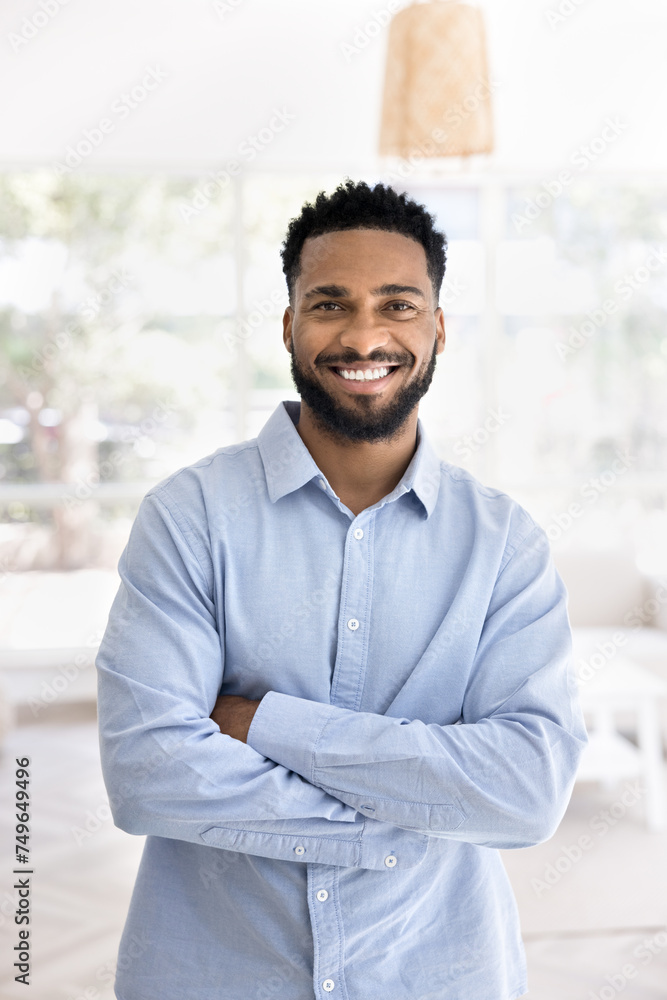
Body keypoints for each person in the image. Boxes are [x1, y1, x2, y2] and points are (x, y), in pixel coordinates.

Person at [96, 179, 588, 1000]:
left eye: (397, 305)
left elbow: (526, 792)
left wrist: (263, 724)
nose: (364, 334)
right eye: (330, 303)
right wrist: (411, 813)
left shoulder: (504, 544)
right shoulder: (190, 517)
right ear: (289, 326)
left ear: (437, 328)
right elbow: (148, 772)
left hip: (436, 972)